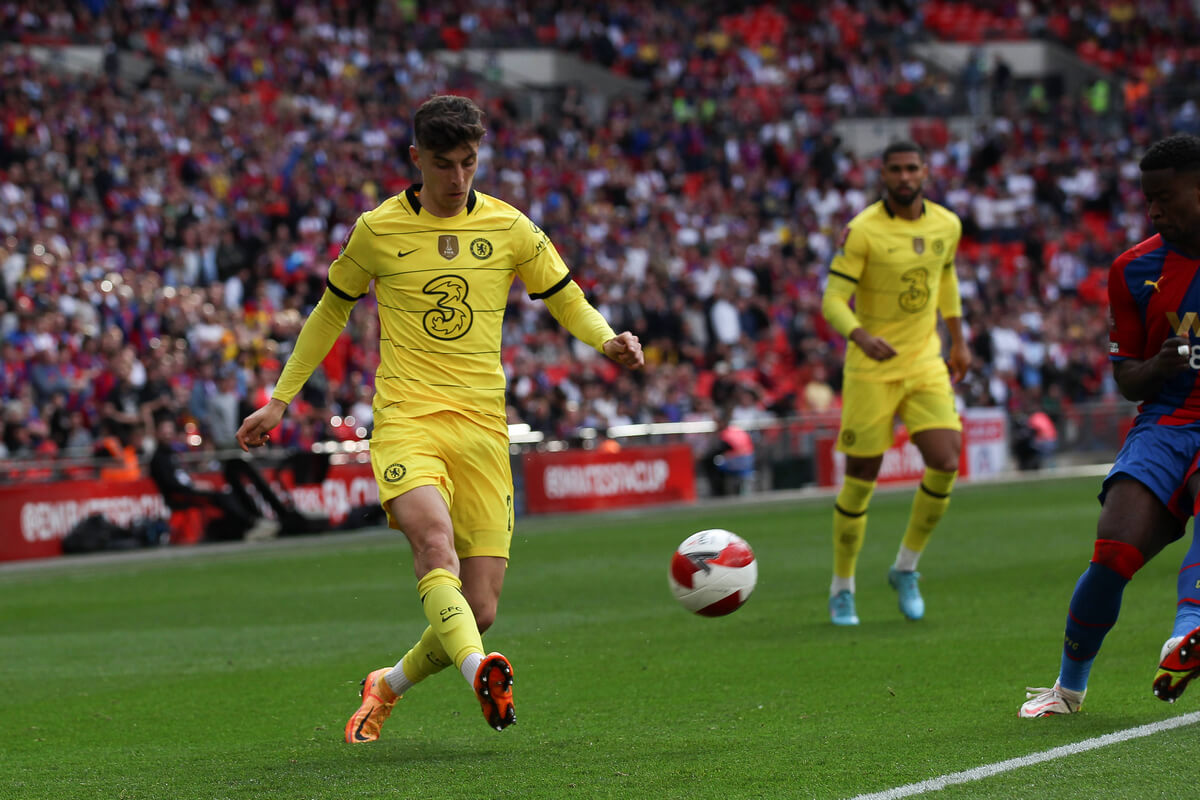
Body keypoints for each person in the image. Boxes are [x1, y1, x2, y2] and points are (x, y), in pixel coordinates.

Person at [234, 95, 644, 741]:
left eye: (470, 164)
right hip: (408, 419)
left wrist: (607, 340)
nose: (458, 180)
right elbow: (329, 312)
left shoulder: (510, 227)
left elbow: (566, 299)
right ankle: (481, 672)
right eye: (445, 164)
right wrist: (281, 398)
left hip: (483, 427)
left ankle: (387, 685)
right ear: (415, 158)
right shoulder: (377, 229)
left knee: (480, 606)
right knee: (434, 546)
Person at [1021, 134, 1200, 717]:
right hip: (1167, 422)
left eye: (1165, 198)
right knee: (1113, 549)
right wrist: (1162, 362)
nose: (1153, 210)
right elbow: (1127, 380)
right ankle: (1068, 689)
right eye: (1148, 199)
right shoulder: (1133, 268)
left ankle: (1186, 632)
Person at [820, 140, 969, 626]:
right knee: (861, 478)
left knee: (946, 462)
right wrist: (861, 337)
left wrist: (959, 340)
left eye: (912, 168)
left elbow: (945, 279)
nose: (905, 176)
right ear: (882, 174)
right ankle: (843, 587)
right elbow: (833, 301)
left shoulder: (947, 224)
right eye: (896, 170)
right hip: (870, 368)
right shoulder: (863, 230)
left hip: (925, 360)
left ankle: (906, 568)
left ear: (925, 170)